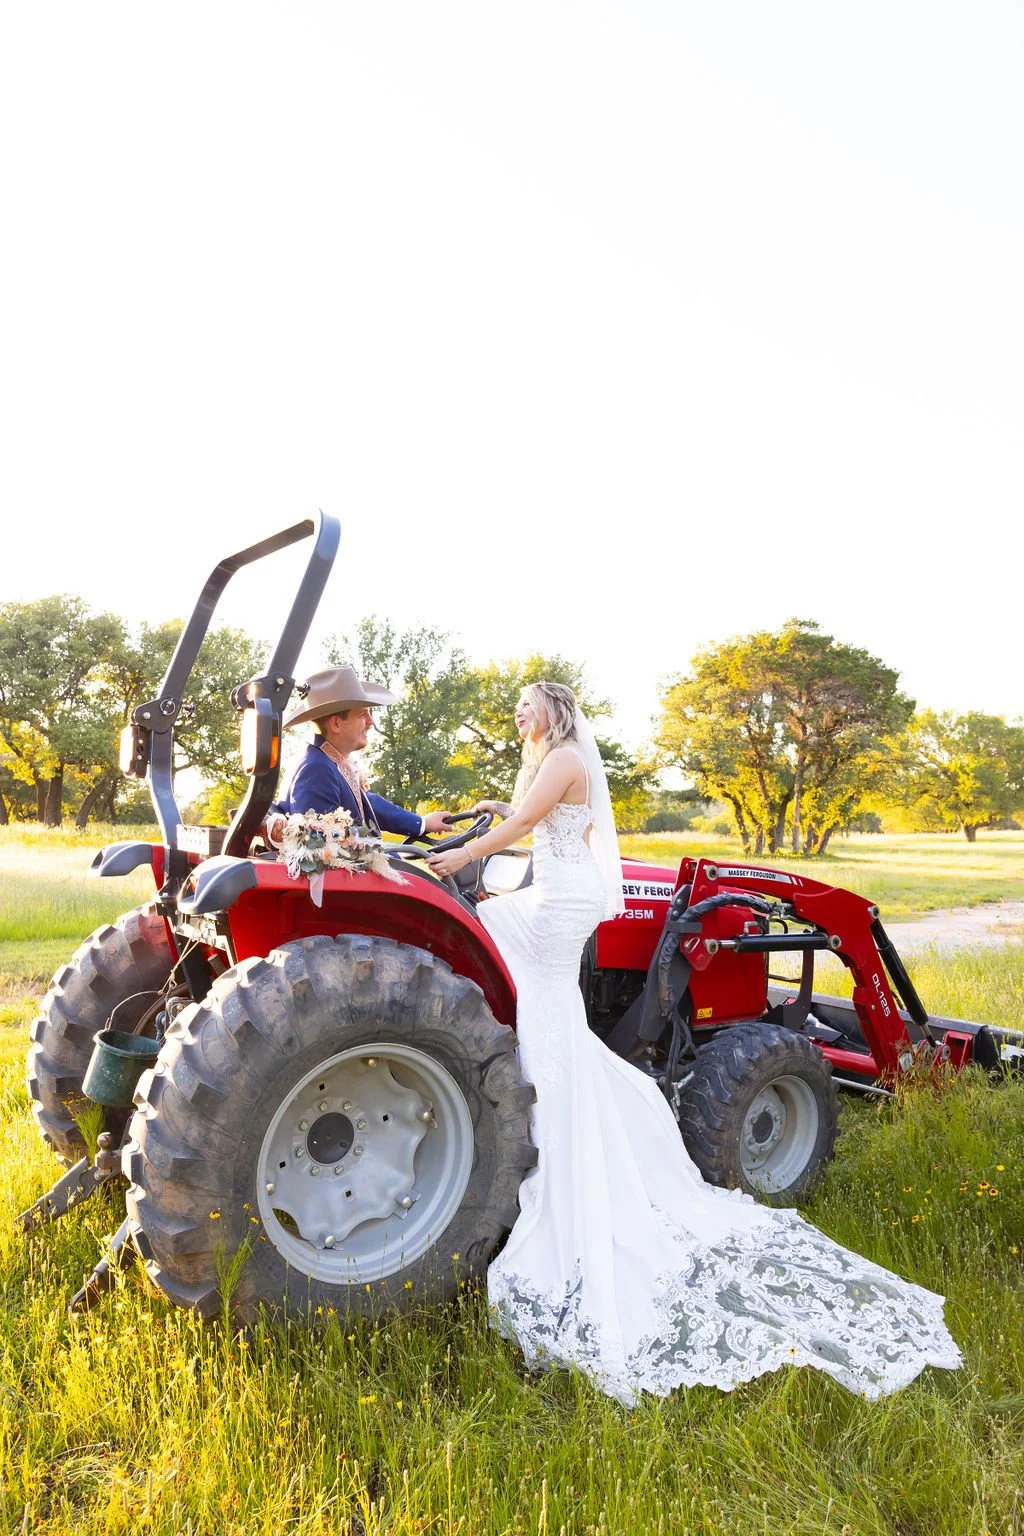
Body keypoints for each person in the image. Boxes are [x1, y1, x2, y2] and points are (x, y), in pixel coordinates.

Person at [427, 682, 962, 1405]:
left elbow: (530, 818)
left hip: (564, 896)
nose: (517, 713)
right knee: (527, 976)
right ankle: (559, 1100)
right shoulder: (548, 760)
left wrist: (465, 859)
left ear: (553, 711)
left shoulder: (561, 761)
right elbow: (524, 814)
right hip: (557, 891)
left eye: (526, 705)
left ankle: (553, 1103)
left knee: (527, 970)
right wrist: (485, 821)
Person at [266, 665, 454, 842]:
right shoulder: (316, 769)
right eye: (363, 714)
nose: (371, 722)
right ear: (336, 724)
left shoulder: (328, 761)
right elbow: (324, 849)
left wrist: (421, 823)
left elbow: (367, 804)